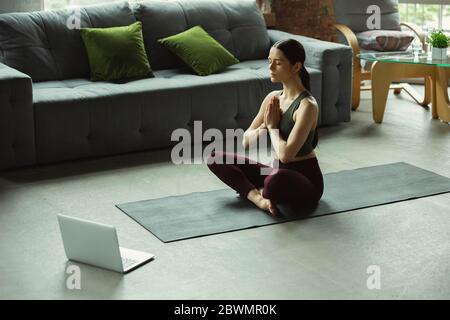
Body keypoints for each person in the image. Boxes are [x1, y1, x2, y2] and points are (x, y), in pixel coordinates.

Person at [206, 39, 324, 216]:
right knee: (215, 157)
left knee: (273, 181)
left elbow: (286, 155)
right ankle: (259, 198)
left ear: (296, 67)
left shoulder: (307, 106)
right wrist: (264, 127)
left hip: (305, 180)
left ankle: (266, 191)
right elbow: (246, 141)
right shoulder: (272, 98)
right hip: (276, 171)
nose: (270, 68)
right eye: (269, 62)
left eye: (277, 63)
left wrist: (272, 127)